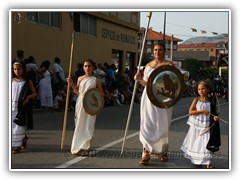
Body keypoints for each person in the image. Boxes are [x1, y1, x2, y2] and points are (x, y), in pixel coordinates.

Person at [134, 42, 175, 165]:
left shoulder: (169, 65)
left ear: (164, 51)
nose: (158, 52)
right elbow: (147, 83)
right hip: (149, 98)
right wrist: (139, 79)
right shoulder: (148, 65)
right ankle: (146, 151)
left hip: (164, 98)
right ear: (153, 51)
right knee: (147, 124)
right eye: (156, 50)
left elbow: (175, 82)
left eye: (160, 50)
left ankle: (163, 150)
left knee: (162, 125)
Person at [67, 59, 104, 156]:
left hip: (91, 104)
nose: (87, 68)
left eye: (89, 66)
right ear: (83, 67)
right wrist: (71, 84)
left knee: (88, 125)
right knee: (79, 123)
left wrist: (94, 99)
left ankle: (85, 147)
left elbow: (101, 94)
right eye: (85, 66)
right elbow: (77, 92)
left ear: (93, 67)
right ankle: (78, 146)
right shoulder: (80, 78)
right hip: (81, 102)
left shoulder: (96, 80)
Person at [181, 80, 220, 168]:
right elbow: (191, 112)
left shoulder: (211, 101)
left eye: (203, 89)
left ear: (208, 89)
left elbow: (213, 113)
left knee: (205, 142)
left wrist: (215, 118)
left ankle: (207, 162)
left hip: (207, 125)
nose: (200, 91)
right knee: (196, 141)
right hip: (196, 124)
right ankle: (197, 160)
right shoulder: (196, 100)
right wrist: (202, 111)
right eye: (199, 89)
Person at [12, 61, 37, 154]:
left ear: (23, 69)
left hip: (21, 106)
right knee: (12, 125)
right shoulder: (11, 80)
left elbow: (34, 93)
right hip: (12, 105)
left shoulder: (27, 81)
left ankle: (17, 146)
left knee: (18, 126)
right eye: (15, 69)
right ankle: (23, 139)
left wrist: (27, 98)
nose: (17, 71)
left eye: (19, 69)